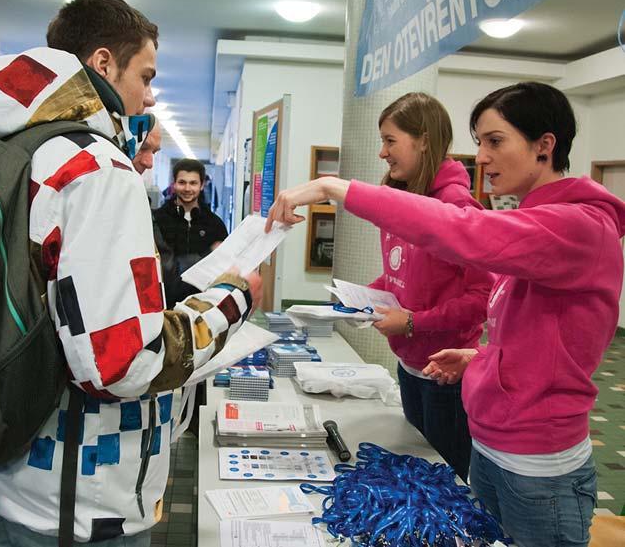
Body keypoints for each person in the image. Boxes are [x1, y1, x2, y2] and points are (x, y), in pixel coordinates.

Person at [265, 82, 625, 547]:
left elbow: (464, 231)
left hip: (538, 465)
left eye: (495, 141)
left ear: (544, 145)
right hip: (495, 447)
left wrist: (336, 187)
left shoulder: (578, 225)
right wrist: (482, 359)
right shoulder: (539, 220)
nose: (483, 158)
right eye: (479, 143)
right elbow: (543, 333)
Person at [0, 0, 261, 546]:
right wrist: (231, 301)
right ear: (103, 64)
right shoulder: (98, 168)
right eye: (146, 74)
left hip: (17, 468)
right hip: (84, 499)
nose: (149, 93)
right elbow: (121, 363)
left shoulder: (22, 150)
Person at [365, 92, 492, 482]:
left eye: (390, 141)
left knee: (444, 484)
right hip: (409, 365)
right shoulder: (403, 199)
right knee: (415, 475)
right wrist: (365, 296)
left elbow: (482, 299)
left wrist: (413, 322)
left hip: (446, 377)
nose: (383, 153)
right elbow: (401, 274)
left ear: (422, 140)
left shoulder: (458, 209)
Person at [154, 158, 228, 278]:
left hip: (202, 294)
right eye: (182, 182)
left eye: (193, 183)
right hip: (166, 294)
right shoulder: (157, 220)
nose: (187, 189)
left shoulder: (215, 225)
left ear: (202, 185)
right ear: (174, 184)